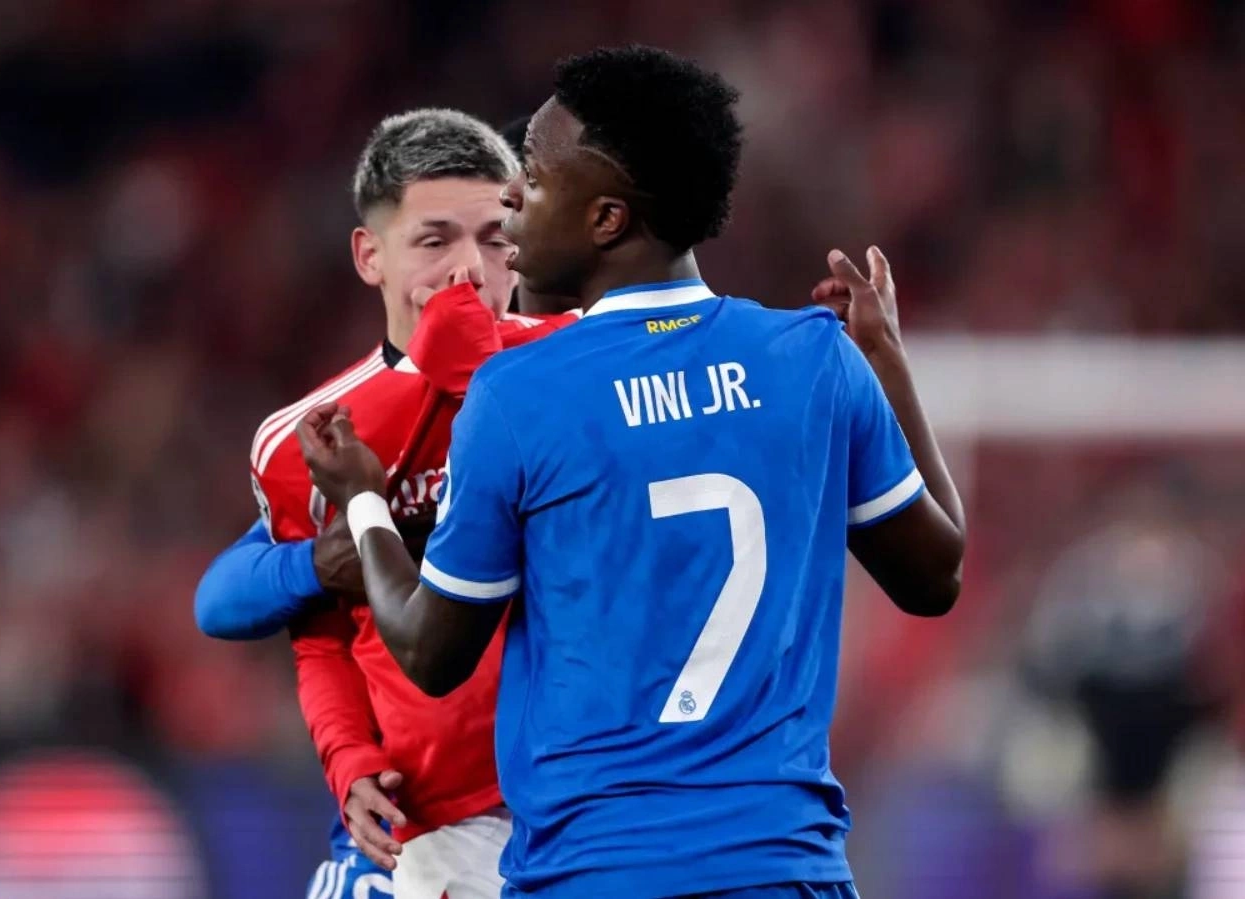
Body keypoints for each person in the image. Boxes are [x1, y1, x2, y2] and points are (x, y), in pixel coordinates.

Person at [298, 46, 966, 898]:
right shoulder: (815, 359)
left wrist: (363, 502)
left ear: (607, 218)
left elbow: (431, 651)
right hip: (784, 869)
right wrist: (888, 363)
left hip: (598, 870)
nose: (511, 197)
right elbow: (935, 575)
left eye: (535, 177)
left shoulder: (520, 393)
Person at [195, 108, 578, 899]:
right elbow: (315, 636)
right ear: (370, 256)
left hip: (585, 811)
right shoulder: (315, 437)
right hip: (425, 827)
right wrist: (349, 760)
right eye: (435, 241)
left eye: (495, 239)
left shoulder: (582, 368)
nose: (469, 270)